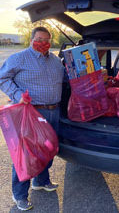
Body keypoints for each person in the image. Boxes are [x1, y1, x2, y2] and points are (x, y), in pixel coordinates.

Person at [0, 27, 64, 211]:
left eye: (46, 40)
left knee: (48, 150)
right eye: (39, 39)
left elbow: (66, 80)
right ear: (31, 39)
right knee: (26, 155)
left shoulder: (55, 60)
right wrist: (17, 93)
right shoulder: (19, 58)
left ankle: (41, 181)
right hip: (30, 113)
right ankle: (19, 195)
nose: (43, 43)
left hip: (53, 112)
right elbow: (2, 78)